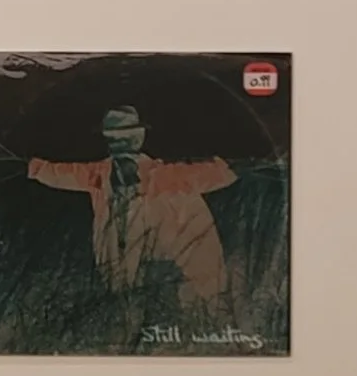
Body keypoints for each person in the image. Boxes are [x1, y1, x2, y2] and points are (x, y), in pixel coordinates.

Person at [29, 106, 235, 309]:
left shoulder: (165, 174)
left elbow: (218, 175)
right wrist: (32, 167)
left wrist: (232, 167)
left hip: (165, 263)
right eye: (114, 139)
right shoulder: (101, 173)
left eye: (123, 138)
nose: (119, 145)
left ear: (137, 139)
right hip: (124, 265)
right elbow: (60, 174)